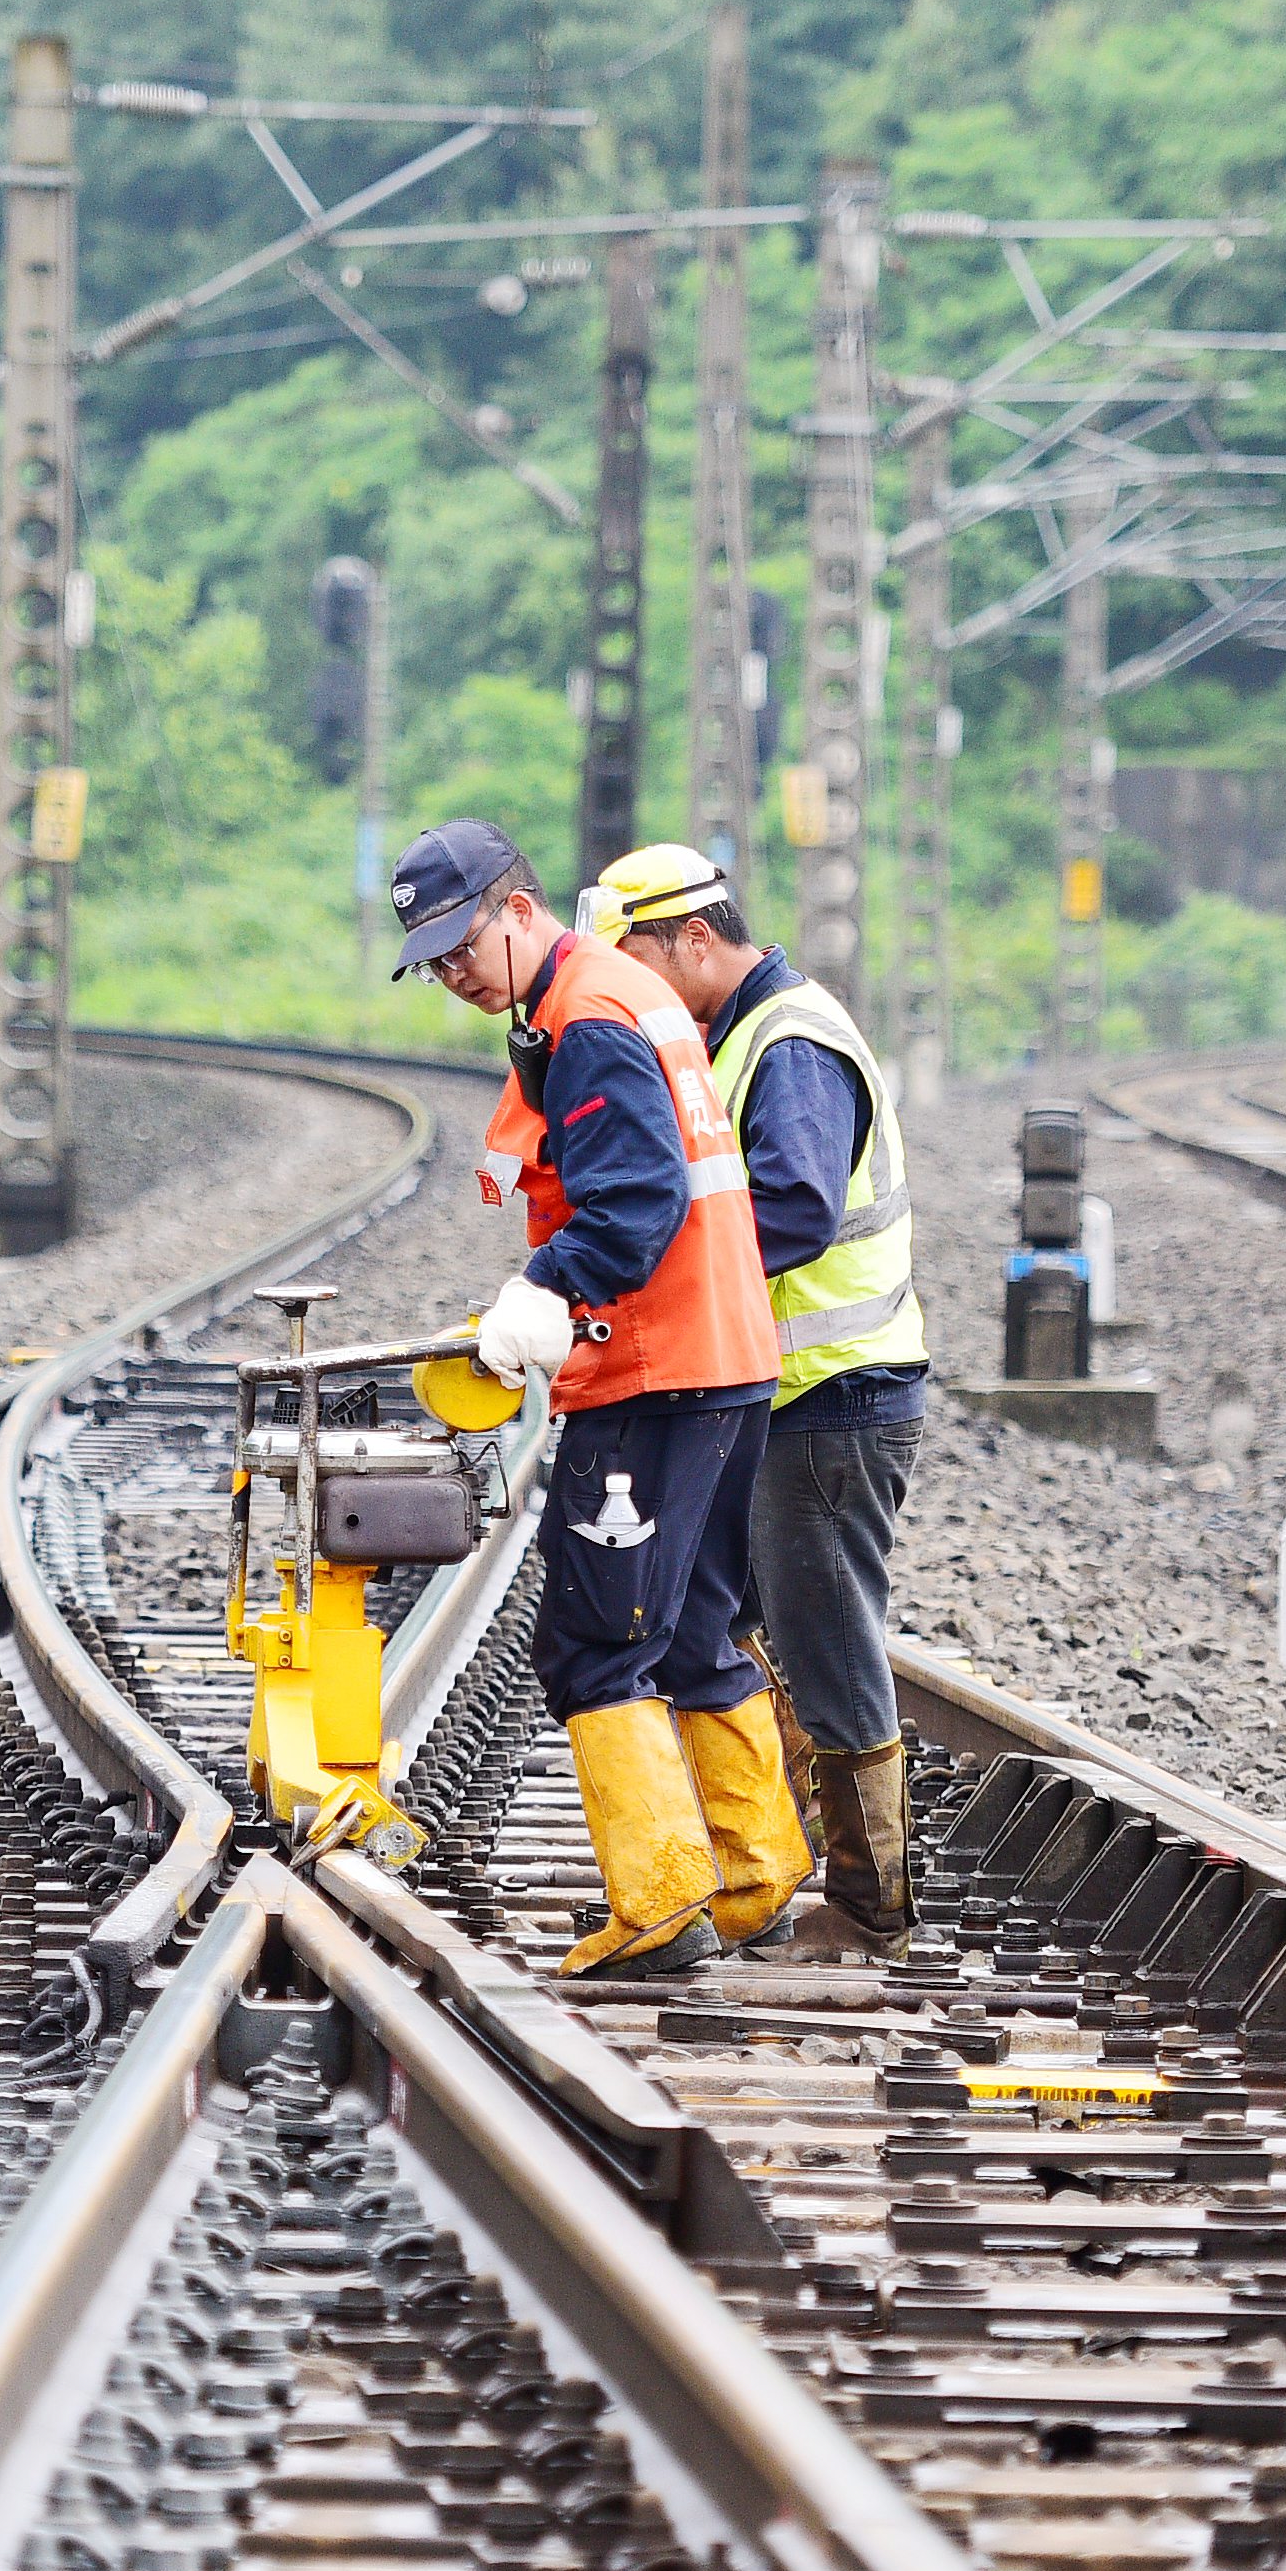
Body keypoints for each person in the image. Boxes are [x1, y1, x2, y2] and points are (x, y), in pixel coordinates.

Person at [385, 816, 805, 1978]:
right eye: (431, 961)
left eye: (462, 944)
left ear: (519, 911)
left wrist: (543, 1292)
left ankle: (663, 1900)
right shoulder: (608, 992)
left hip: (655, 1365)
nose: (453, 973)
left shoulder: (589, 1018)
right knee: (702, 1625)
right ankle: (755, 1878)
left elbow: (633, 1202)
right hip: (721, 1358)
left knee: (594, 1642)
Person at [579, 843, 930, 1939]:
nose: (628, 983)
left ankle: (873, 1901)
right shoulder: (740, 1038)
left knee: (828, 1641)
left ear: (693, 938)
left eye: (635, 956)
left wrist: (657, 1283)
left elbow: (794, 1207)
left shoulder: (789, 1044)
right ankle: (782, 1857)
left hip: (834, 1397)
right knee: (752, 1628)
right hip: (790, 1396)